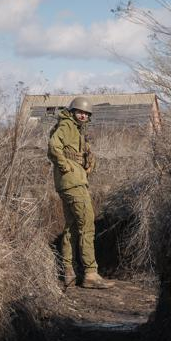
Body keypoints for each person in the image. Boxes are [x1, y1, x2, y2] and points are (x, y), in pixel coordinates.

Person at [48, 96, 114, 289]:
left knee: (71, 227)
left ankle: (68, 272)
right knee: (87, 225)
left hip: (69, 182)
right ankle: (90, 274)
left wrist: (85, 160)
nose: (83, 115)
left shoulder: (75, 129)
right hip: (73, 183)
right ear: (73, 112)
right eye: (80, 112)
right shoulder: (67, 126)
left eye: (86, 113)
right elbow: (53, 147)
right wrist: (66, 166)